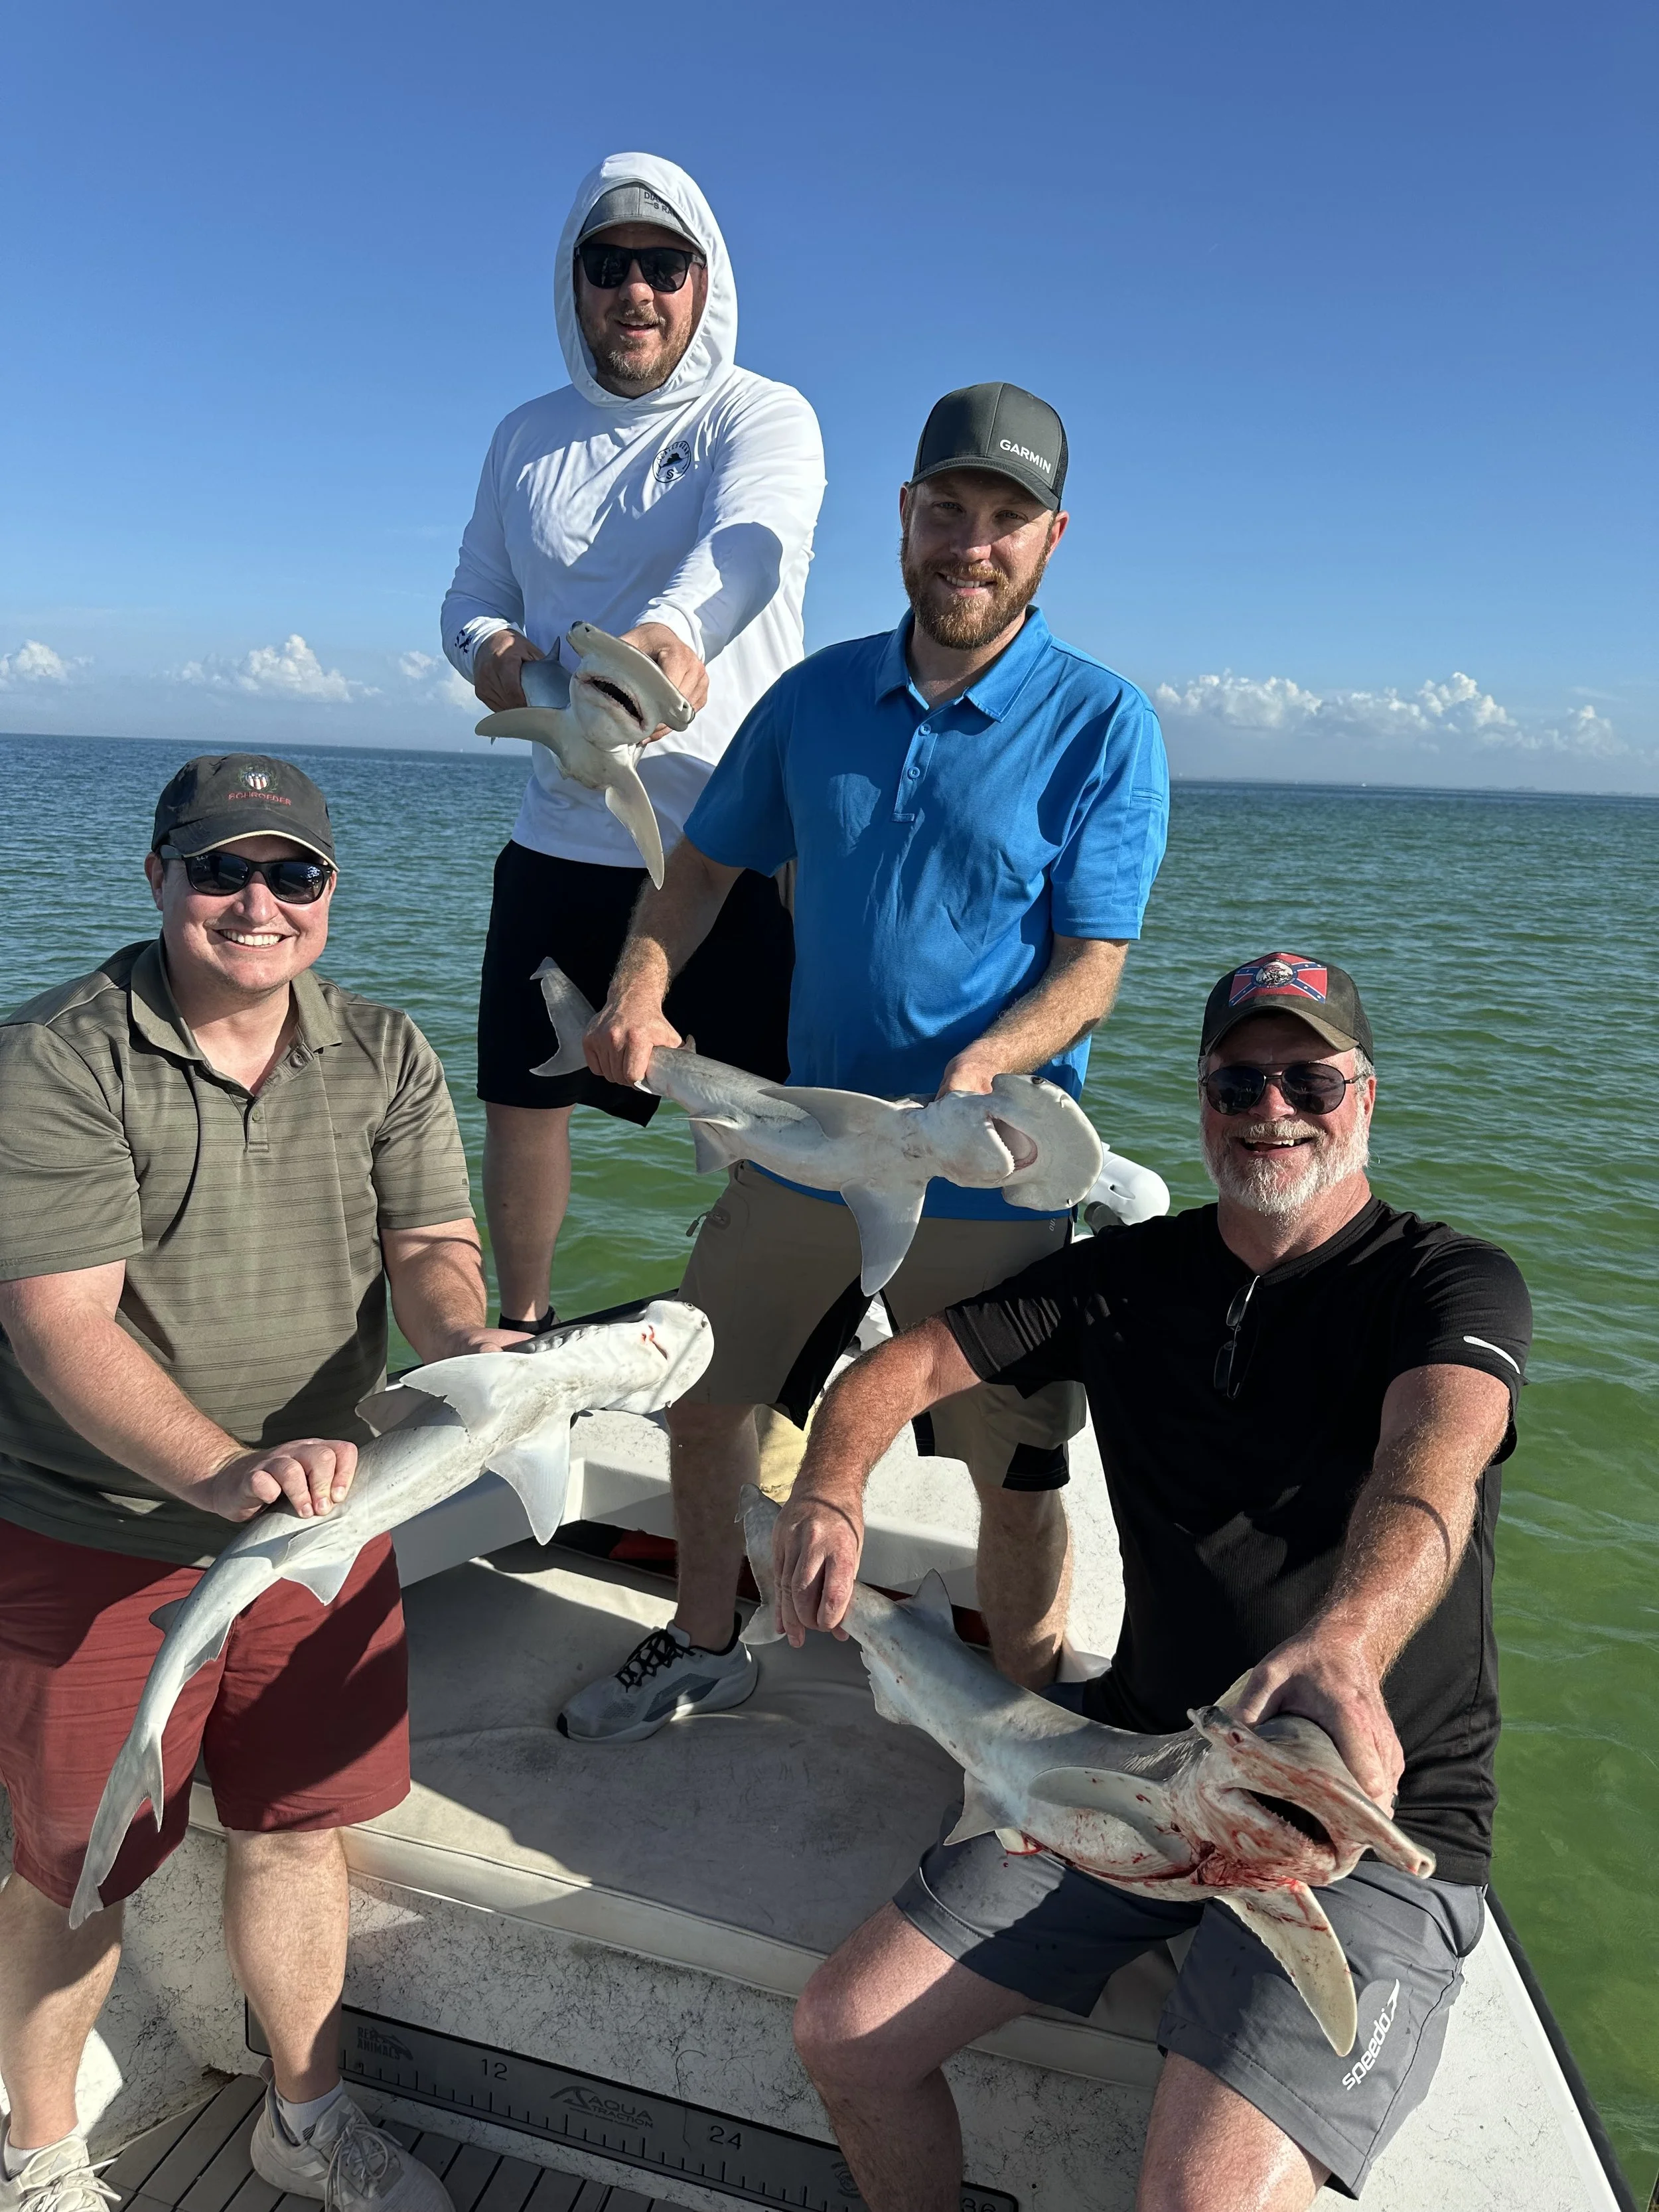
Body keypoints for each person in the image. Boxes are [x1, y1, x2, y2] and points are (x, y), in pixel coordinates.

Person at [773, 952, 1532, 2212]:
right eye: (1240, 1082)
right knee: (843, 2033)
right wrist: (829, 1487)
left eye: (1308, 1079)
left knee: (1200, 2199)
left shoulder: (1446, 1281)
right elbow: (893, 1374)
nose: (1272, 1109)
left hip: (1366, 1829)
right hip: (1137, 1763)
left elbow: (1431, 1465)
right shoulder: (1128, 1278)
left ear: (1367, 1095)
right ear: (1201, 1102)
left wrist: (1345, 1642)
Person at [563, 382, 1171, 1742]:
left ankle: (1024, 1732)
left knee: (1014, 1469)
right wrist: (640, 985)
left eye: (1004, 520)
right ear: (903, 516)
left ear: (1051, 539)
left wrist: (982, 1064)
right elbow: (702, 866)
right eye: (946, 510)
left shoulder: (1100, 722)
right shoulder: (815, 695)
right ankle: (706, 1640)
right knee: (707, 1405)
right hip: (802, 1143)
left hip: (991, 1172)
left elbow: (1093, 965)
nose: (970, 543)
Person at [0, 755, 528, 2212]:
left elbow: (430, 1250)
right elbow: (59, 1321)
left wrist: (470, 1349)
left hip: (322, 1517)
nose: (256, 902)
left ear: (330, 893)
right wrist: (230, 1468)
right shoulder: (54, 1056)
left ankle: (304, 2122)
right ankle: (38, 2158)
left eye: (291, 873)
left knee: (299, 1831)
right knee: (78, 1866)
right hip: (95, 1531)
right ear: (159, 879)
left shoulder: (386, 1052)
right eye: (220, 869)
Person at [441, 151, 826, 1333]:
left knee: (768, 1115)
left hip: (733, 834)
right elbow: (466, 596)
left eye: (664, 265)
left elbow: (753, 545)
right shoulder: (525, 435)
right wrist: (498, 656)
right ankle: (528, 1330)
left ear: (704, 281)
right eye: (609, 266)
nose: (636, 292)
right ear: (577, 283)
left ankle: (767, 1343)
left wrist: (669, 638)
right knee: (523, 1096)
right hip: (565, 820)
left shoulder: (760, 413)